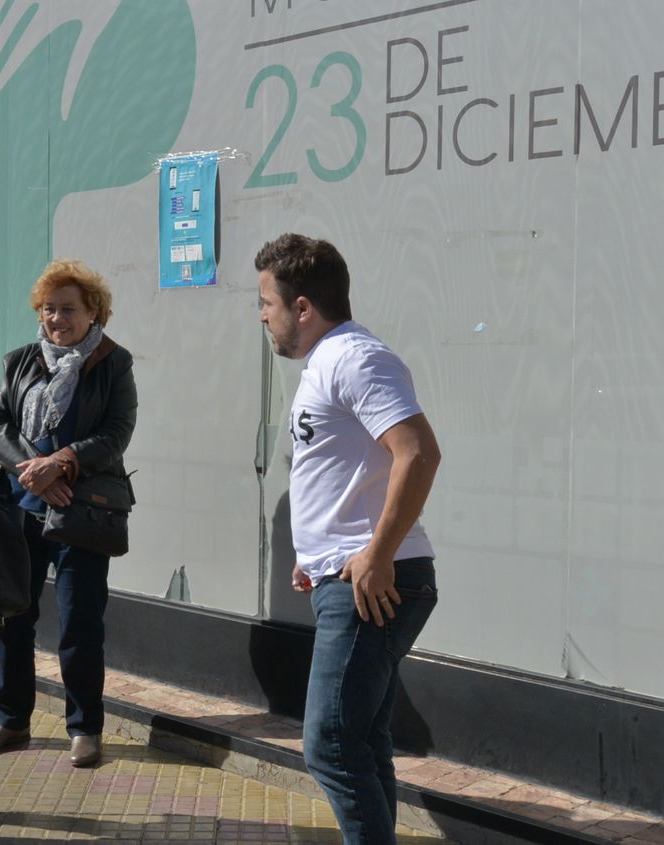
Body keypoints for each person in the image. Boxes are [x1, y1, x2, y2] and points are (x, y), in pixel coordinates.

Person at [255, 233, 441, 844]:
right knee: (361, 743)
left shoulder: (356, 357)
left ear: (302, 307)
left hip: (374, 583)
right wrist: (319, 554)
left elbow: (418, 452)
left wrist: (376, 555)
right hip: (347, 576)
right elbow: (347, 472)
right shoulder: (326, 364)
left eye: (267, 303)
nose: (263, 317)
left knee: (330, 747)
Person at [0, 259, 137, 769]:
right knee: (10, 619)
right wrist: (30, 469)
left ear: (95, 312)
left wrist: (62, 464)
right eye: (49, 309)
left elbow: (116, 434)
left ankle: (85, 727)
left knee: (80, 622)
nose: (57, 319)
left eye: (69, 309)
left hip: (81, 512)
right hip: (20, 505)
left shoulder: (115, 363)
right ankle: (12, 718)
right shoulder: (20, 361)